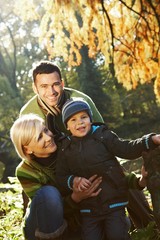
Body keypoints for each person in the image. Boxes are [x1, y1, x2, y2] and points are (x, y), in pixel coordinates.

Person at [20, 60, 153, 230]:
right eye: (44, 86)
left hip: (88, 154)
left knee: (115, 171)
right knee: (39, 192)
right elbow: (29, 150)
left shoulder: (81, 101)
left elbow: (102, 140)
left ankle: (146, 225)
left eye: (55, 85)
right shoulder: (27, 113)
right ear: (35, 88)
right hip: (52, 164)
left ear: (62, 83)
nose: (51, 92)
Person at [55, 97, 160, 240]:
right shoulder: (65, 149)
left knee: (117, 235)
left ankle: (125, 225)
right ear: (66, 126)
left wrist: (149, 140)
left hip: (113, 202)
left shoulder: (103, 136)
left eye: (83, 117)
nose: (79, 122)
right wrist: (73, 180)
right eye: (73, 120)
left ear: (90, 119)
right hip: (88, 209)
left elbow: (126, 149)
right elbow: (60, 176)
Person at [10, 113, 102, 240]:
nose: (48, 137)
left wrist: (138, 182)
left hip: (75, 220)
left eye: (46, 130)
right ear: (27, 150)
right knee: (49, 193)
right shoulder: (25, 171)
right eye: (39, 138)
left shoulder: (67, 147)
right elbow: (49, 210)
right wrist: (76, 197)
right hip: (42, 227)